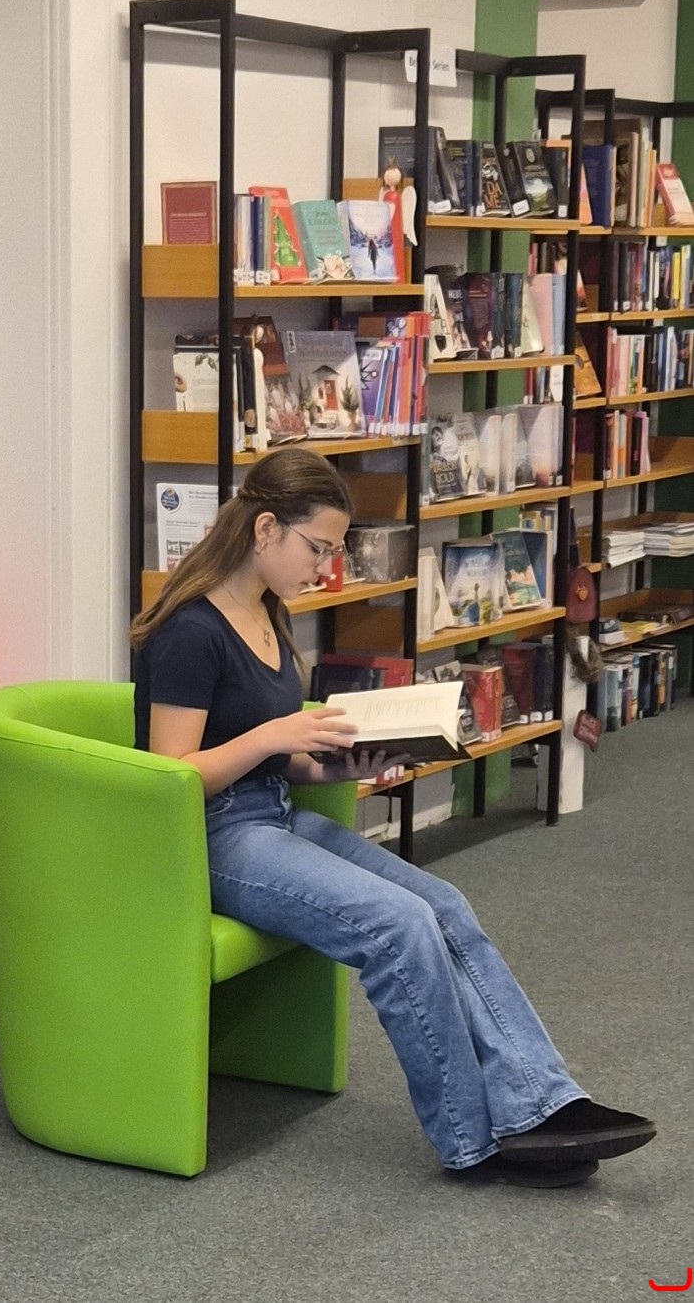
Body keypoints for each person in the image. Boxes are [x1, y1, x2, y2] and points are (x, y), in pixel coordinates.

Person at [131, 444, 655, 1188]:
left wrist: (341, 763)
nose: (325, 567)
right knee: (398, 925)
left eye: (334, 551)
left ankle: (540, 1103)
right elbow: (169, 775)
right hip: (209, 835)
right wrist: (273, 736)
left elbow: (278, 758)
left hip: (271, 814)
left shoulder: (268, 613)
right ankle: (471, 1140)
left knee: (443, 904)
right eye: (317, 548)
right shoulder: (192, 629)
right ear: (264, 530)